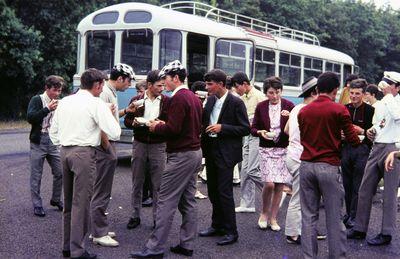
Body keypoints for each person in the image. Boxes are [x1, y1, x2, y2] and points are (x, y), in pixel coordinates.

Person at [130, 60, 203, 258]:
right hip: (195, 153)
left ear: (176, 78)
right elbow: (190, 125)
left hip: (181, 156)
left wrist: (156, 126)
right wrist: (165, 124)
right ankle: (186, 244)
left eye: (166, 79)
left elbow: (173, 129)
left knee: (165, 200)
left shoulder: (179, 98)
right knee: (188, 201)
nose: (164, 84)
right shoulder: (193, 97)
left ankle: (155, 248)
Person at [49, 68, 121, 259]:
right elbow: (115, 132)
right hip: (84, 153)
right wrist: (108, 114)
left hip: (64, 151)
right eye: (101, 86)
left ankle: (67, 246)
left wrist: (62, 144)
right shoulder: (96, 103)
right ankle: (77, 250)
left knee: (69, 203)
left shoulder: (65, 101)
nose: (101, 89)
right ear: (97, 85)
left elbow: (53, 130)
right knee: (81, 203)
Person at [298, 72, 360, 258]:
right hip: (329, 165)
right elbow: (354, 140)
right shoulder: (339, 110)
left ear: (317, 89)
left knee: (308, 216)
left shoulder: (303, 111)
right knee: (334, 217)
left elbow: (305, 136)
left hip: (306, 165)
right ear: (336, 90)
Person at [348, 71, 400, 246]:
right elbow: (382, 122)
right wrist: (373, 130)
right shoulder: (384, 102)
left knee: (389, 193)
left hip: (393, 148)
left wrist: (389, 96)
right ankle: (359, 228)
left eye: (389, 83)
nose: (384, 86)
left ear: (397, 87)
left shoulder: (394, 102)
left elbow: (397, 116)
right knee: (365, 189)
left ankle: (387, 233)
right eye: (384, 82)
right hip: (377, 146)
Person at [199, 69, 250, 246]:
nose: (207, 87)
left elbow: (245, 128)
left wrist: (223, 128)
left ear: (220, 84)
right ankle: (217, 225)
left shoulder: (236, 102)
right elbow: (204, 121)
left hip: (227, 153)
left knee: (225, 193)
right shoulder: (211, 100)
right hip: (211, 150)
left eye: (209, 84)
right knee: (213, 190)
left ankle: (231, 231)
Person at [90, 63, 136, 247]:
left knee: (102, 190)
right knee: (101, 191)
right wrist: (108, 148)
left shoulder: (110, 91)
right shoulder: (105, 93)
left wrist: (126, 111)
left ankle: (97, 227)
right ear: (120, 79)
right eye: (128, 81)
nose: (129, 85)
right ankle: (98, 233)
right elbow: (100, 123)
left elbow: (111, 116)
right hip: (104, 145)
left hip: (106, 144)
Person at [124, 70, 170, 230]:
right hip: (140, 144)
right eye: (159, 85)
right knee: (137, 181)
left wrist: (160, 124)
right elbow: (128, 121)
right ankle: (135, 215)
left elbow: (170, 123)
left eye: (163, 85)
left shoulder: (166, 101)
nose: (162, 88)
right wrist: (134, 123)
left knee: (158, 184)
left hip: (159, 145)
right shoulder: (136, 100)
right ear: (149, 85)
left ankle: (157, 219)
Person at [251, 76, 294, 231]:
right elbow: (253, 128)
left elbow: (296, 127)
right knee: (269, 183)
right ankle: (263, 213)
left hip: (283, 149)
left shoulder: (289, 105)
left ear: (281, 91)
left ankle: (274, 218)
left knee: (280, 185)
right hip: (266, 149)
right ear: (265, 93)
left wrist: (290, 117)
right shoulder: (261, 106)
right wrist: (260, 132)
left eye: (277, 92)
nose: (274, 96)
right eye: (270, 93)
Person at [284, 77, 318, 244]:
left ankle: (300, 229)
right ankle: (292, 233)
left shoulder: (296, 108)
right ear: (314, 93)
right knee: (299, 197)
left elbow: (286, 130)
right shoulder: (310, 111)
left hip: (291, 154)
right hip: (300, 157)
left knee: (301, 195)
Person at [27, 75, 65, 217]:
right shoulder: (37, 100)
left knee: (60, 172)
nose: (57, 93)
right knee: (36, 175)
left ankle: (55, 199)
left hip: (53, 141)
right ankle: (37, 204)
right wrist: (47, 109)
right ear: (47, 88)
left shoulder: (59, 102)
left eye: (59, 91)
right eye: (54, 90)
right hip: (38, 141)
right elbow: (30, 118)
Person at [341, 79, 374, 229]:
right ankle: (348, 213)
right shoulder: (344, 108)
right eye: (352, 93)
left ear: (364, 94)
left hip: (362, 150)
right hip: (346, 148)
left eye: (357, 94)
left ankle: (355, 216)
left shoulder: (370, 110)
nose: (353, 96)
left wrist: (361, 131)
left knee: (358, 185)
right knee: (346, 184)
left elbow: (373, 133)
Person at [231, 72, 265, 213]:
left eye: (237, 86)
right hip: (247, 136)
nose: (236, 89)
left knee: (252, 170)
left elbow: (266, 118)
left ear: (245, 84)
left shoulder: (259, 96)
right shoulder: (243, 97)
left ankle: (274, 191)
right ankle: (247, 204)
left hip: (257, 136)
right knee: (244, 171)